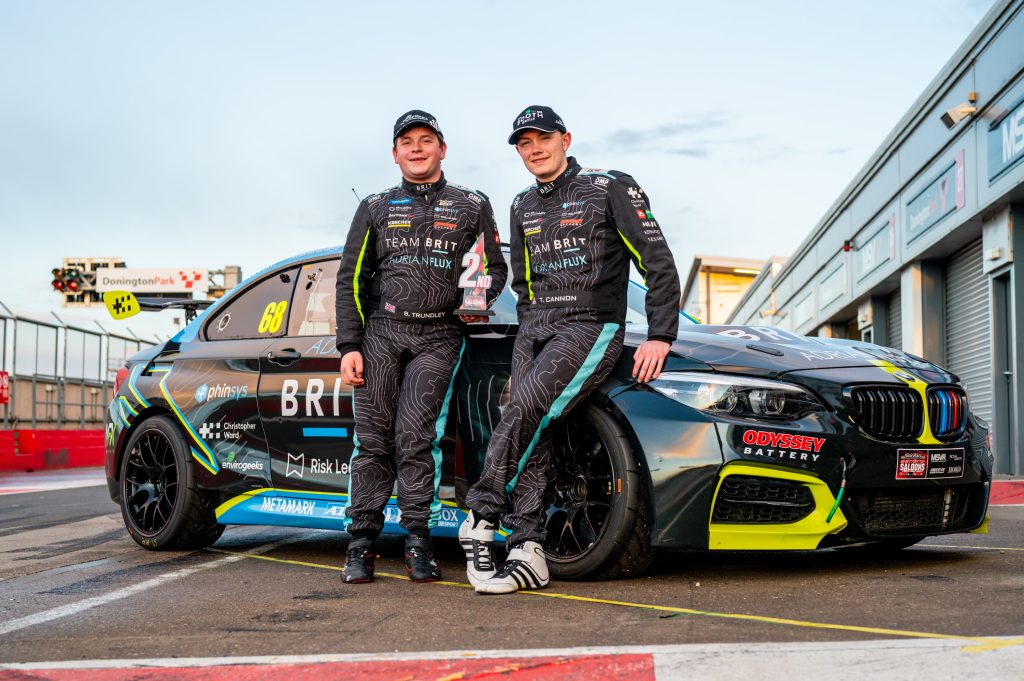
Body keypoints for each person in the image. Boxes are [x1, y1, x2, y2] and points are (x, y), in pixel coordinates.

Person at [460, 105, 681, 594]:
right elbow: (523, 283)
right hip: (534, 329)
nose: (534, 149)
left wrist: (661, 333)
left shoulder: (610, 187)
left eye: (543, 138)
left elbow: (658, 262)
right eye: (524, 143)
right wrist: (521, 324)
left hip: (588, 324)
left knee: (526, 411)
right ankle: (528, 550)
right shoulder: (521, 204)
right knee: (533, 429)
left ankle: (481, 515)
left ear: (566, 139)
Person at [336, 110, 507, 584]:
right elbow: (351, 279)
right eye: (407, 141)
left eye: (426, 140)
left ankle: (418, 541)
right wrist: (349, 345)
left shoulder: (472, 203)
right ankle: (360, 544)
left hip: (440, 337)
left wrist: (479, 298)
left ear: (442, 149)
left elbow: (494, 268)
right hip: (381, 335)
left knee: (417, 438)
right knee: (373, 441)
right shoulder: (374, 206)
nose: (416, 147)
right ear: (395, 154)